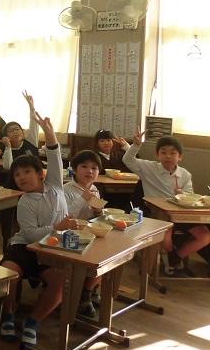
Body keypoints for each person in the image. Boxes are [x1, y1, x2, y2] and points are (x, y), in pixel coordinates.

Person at [0, 111, 76, 347]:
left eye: (27, 172)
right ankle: (8, 315)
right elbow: (30, 234)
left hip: (52, 248)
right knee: (9, 274)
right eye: (17, 175)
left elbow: (54, 156)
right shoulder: (24, 201)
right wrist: (57, 227)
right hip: (24, 248)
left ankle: (33, 321)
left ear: (41, 174)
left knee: (60, 282)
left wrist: (49, 133)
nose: (22, 178)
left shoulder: (55, 186)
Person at [123, 131, 209, 277]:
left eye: (173, 153)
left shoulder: (185, 174)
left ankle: (175, 258)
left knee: (205, 235)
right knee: (166, 234)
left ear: (180, 157)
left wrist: (182, 194)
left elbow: (190, 196)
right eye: (163, 152)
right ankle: (172, 261)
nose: (168, 156)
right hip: (156, 214)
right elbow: (128, 160)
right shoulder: (149, 168)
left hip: (180, 215)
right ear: (158, 155)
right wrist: (136, 145)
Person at [62, 150, 105, 317]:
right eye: (84, 166)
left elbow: (96, 216)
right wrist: (83, 198)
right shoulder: (66, 189)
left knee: (107, 254)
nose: (90, 171)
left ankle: (90, 290)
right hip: (70, 235)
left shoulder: (94, 189)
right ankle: (84, 295)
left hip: (90, 233)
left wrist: (98, 211)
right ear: (74, 169)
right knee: (94, 257)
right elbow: (65, 216)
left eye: (94, 168)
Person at [0, 91, 40, 158]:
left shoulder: (31, 142)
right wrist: (8, 147)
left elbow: (34, 125)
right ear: (6, 137)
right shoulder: (5, 149)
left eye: (17, 129)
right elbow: (7, 164)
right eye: (11, 131)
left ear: (23, 133)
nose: (15, 132)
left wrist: (31, 108)